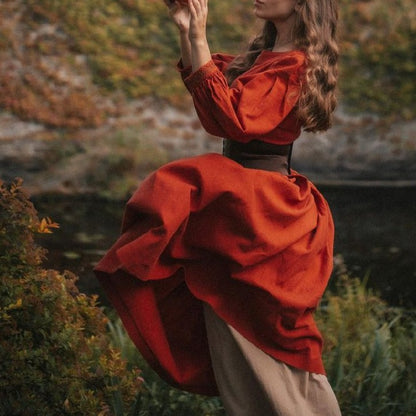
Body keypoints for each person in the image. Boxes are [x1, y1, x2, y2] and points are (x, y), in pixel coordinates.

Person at [95, 0, 342, 414]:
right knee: (226, 321)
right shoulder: (263, 58)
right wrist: (187, 28)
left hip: (262, 210)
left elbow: (230, 118)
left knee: (262, 329)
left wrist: (199, 36)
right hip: (237, 207)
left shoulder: (294, 66)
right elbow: (213, 96)